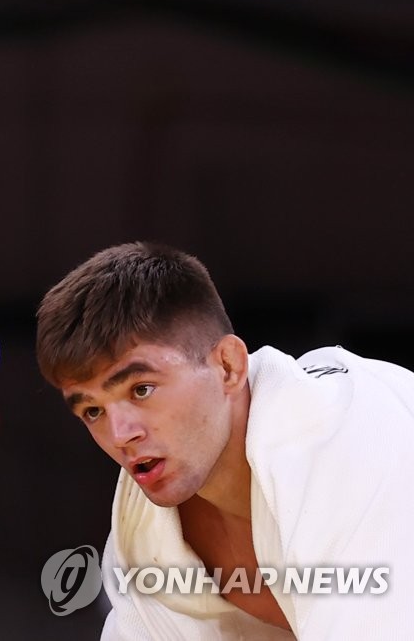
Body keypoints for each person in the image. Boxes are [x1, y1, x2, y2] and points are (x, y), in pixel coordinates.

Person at [35, 242, 414, 640]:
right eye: (93, 411)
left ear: (228, 366)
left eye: (141, 389)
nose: (121, 434)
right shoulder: (143, 529)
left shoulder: (350, 444)